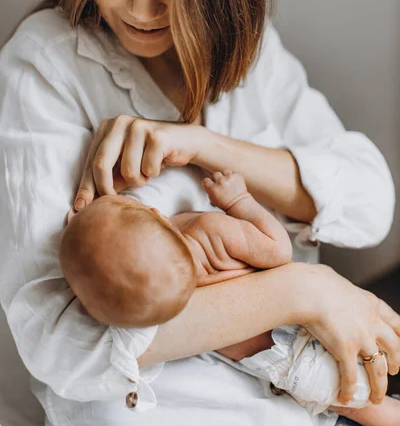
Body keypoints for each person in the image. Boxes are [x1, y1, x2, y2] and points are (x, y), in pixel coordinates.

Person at [0, 0, 398, 425]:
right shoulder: (47, 66)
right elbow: (58, 345)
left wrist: (208, 146)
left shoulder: (249, 50)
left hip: (302, 386)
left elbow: (371, 204)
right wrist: (301, 292)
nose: (141, 7)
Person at [60, 169, 400, 426]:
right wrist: (239, 202)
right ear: (152, 213)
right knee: (373, 395)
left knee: (349, 401)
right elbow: (278, 251)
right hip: (307, 333)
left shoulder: (152, 298)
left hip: (276, 367)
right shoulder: (205, 233)